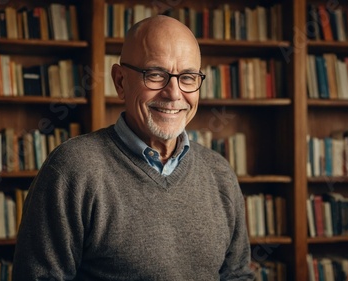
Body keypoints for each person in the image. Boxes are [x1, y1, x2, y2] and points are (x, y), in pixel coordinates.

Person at [13, 15, 253, 280]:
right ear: (120, 82)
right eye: (156, 74)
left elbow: (237, 276)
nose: (173, 93)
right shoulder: (72, 169)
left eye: (187, 77)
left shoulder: (219, 173)